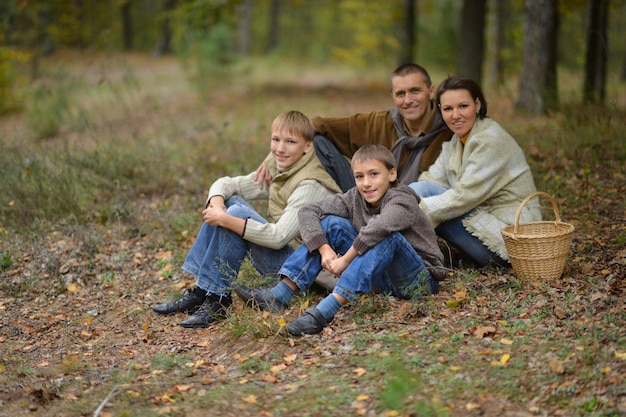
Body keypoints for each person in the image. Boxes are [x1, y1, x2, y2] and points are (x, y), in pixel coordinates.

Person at [152, 110, 342, 328]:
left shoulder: (309, 184)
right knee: (230, 203)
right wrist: (217, 201)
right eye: (276, 140)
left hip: (307, 276)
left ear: (307, 146)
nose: (280, 149)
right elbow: (228, 184)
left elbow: (278, 238)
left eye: (290, 142)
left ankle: (216, 300)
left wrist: (225, 219)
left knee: (234, 215)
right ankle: (204, 291)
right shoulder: (286, 168)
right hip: (292, 260)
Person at [236, 144, 446, 336]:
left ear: (392, 174)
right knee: (331, 223)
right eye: (359, 176)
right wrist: (324, 249)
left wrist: (344, 260)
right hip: (382, 277)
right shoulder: (355, 197)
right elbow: (309, 211)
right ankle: (280, 294)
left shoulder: (402, 199)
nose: (366, 183)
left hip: (418, 279)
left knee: (386, 235)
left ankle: (324, 312)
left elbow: (378, 228)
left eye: (374, 174)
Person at [254, 63, 453, 192]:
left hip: (421, 207)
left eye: (415, 91)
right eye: (400, 94)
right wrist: (277, 151)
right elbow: (319, 124)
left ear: (430, 91)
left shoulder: (449, 126)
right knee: (318, 141)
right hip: (370, 198)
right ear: (393, 97)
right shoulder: (380, 122)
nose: (408, 100)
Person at [409, 75, 542, 268]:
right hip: (486, 223)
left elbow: (463, 197)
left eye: (463, 106)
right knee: (420, 189)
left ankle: (388, 247)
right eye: (448, 109)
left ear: (477, 104)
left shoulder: (490, 141)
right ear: (440, 110)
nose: (455, 115)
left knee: (419, 199)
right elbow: (430, 180)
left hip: (513, 243)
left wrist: (409, 212)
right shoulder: (457, 141)